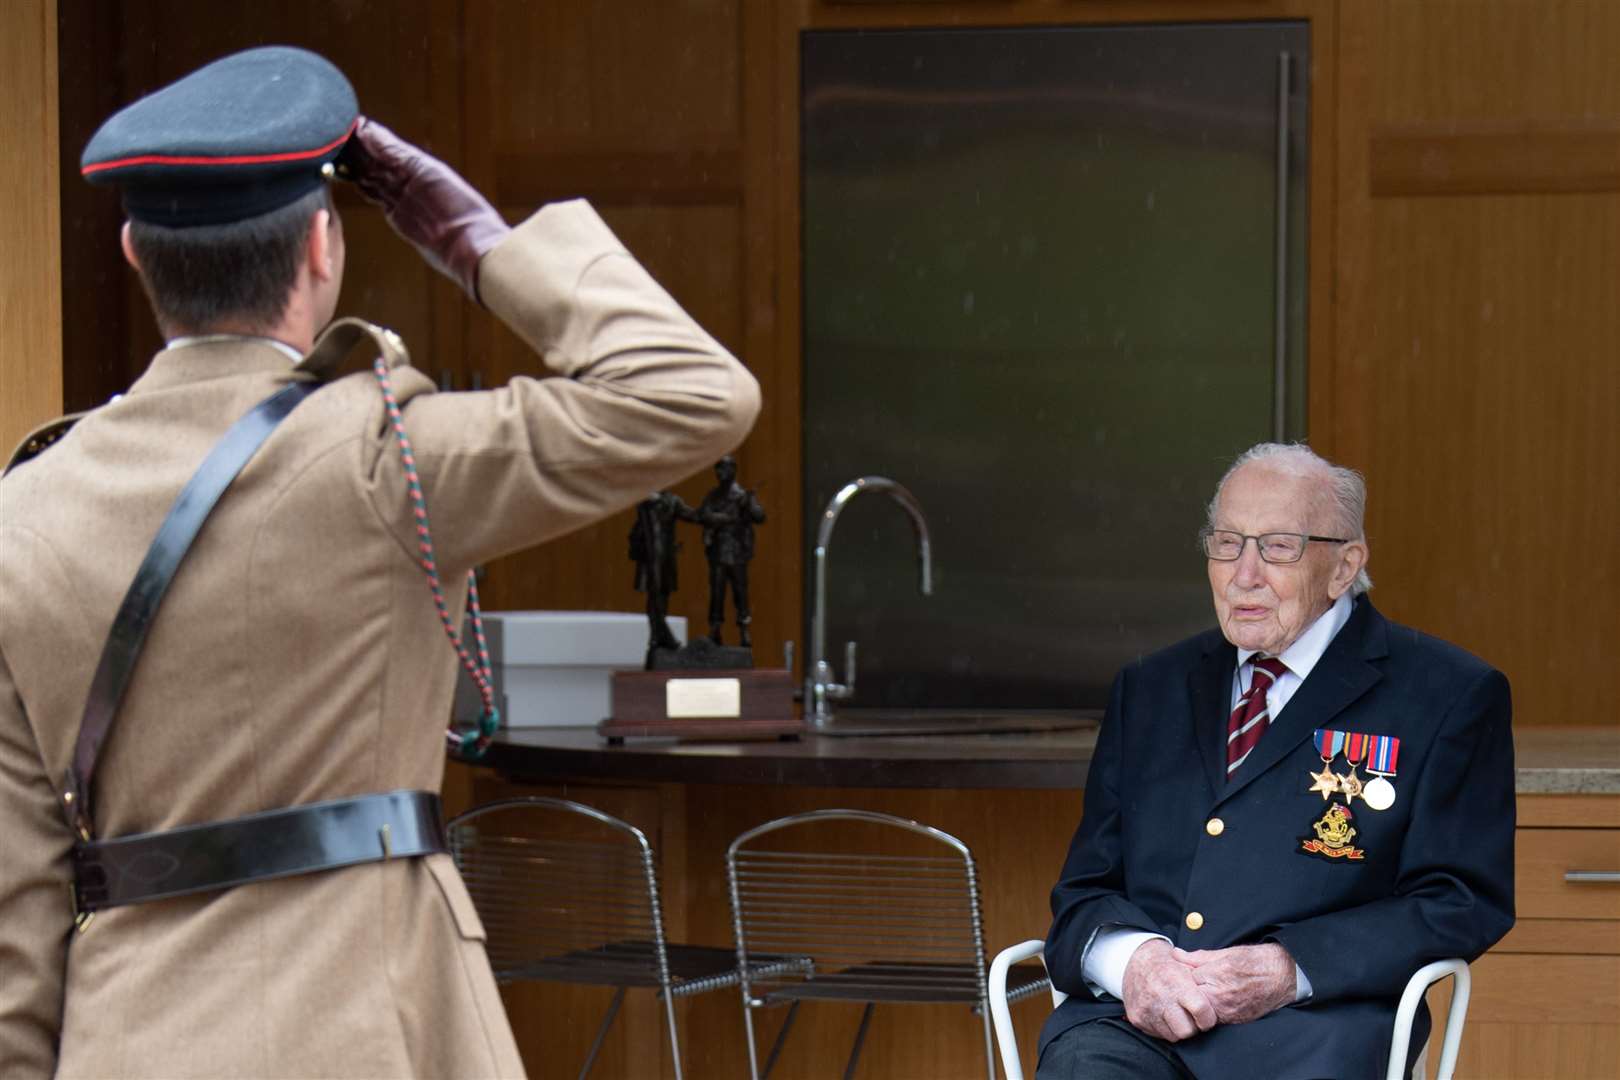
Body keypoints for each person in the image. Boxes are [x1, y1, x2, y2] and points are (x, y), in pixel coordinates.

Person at [0, 46, 758, 1077]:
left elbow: (19, 911)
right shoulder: (386, 458)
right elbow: (693, 397)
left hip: (129, 1042)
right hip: (372, 1037)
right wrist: (476, 244)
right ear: (324, 248)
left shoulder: (23, 514)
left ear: (134, 253)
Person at [1039, 443, 1514, 1080]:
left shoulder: (1447, 694)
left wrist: (1290, 968)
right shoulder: (1150, 688)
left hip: (1316, 1032)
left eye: (1279, 547)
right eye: (1227, 543)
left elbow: (1460, 901)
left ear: (1345, 566)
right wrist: (1135, 962)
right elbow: (1086, 890)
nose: (1245, 574)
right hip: (1135, 1030)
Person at [692, 455, 766, 646]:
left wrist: (748, 504)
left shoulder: (741, 495)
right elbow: (703, 515)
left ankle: (744, 630)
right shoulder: (713, 496)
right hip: (718, 552)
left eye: (723, 469)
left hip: (737, 552)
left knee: (740, 593)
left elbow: (759, 516)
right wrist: (724, 518)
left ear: (732, 471)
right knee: (716, 593)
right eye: (718, 469)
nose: (719, 473)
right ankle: (715, 629)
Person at [629, 490, 694, 654]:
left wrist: (714, 517)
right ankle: (661, 636)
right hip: (653, 559)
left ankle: (658, 636)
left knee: (661, 596)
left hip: (664, 558)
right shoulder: (645, 506)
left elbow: (692, 515)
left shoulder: (671, 501)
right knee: (655, 598)